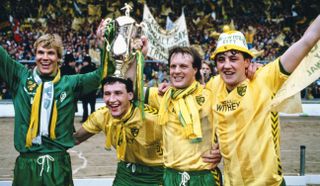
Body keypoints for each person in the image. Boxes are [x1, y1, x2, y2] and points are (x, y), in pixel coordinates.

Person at [207, 15, 320, 185]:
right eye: (221, 59)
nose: (227, 65)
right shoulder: (213, 85)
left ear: (247, 62)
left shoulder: (265, 77)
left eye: (234, 58)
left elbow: (307, 40)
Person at [0, 20, 107, 186]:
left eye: (50, 53)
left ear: (59, 58)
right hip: (26, 165)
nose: (45, 58)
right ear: (34, 55)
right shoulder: (20, 77)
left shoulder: (71, 84)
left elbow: (104, 73)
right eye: (41, 52)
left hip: (58, 165)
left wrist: (103, 45)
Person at [145, 46, 222, 186]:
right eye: (173, 66)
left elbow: (234, 121)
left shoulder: (210, 95)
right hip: (170, 177)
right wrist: (140, 55)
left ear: (195, 70)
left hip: (203, 177)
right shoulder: (162, 96)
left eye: (183, 66)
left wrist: (222, 148)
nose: (176, 71)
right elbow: (128, 89)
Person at [74, 76, 164, 185]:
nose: (111, 99)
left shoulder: (151, 118)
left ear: (130, 95)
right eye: (107, 94)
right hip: (125, 173)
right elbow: (75, 139)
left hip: (158, 175)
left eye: (118, 93)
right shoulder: (101, 116)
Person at [80, 55, 97, 122]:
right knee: (92, 107)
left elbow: (81, 80)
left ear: (86, 62)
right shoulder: (94, 68)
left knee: (85, 106)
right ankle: (93, 120)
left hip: (85, 91)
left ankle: (85, 119)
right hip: (93, 90)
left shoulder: (83, 69)